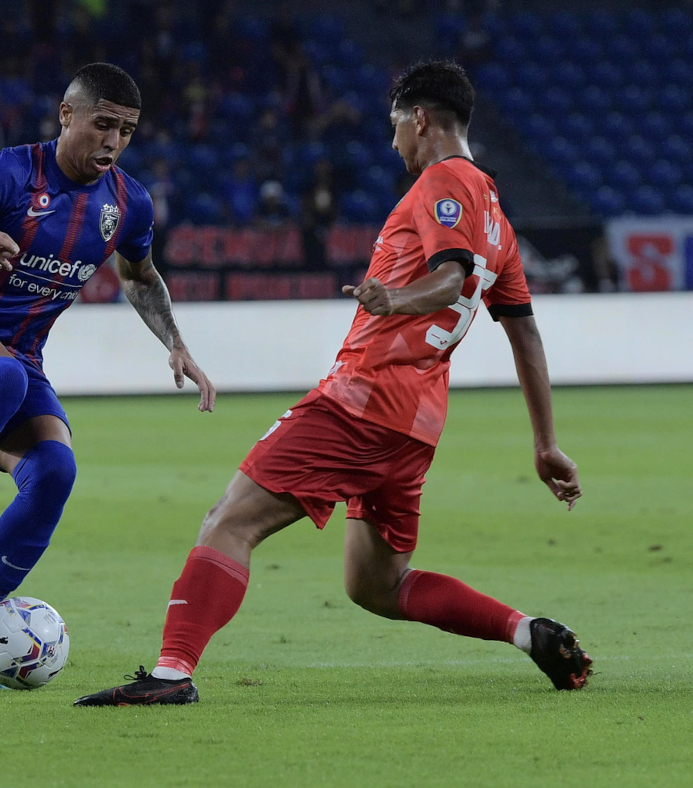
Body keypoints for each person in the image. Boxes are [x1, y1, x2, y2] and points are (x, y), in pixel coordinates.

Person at [75, 61, 591, 707]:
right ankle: (525, 631)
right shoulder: (499, 221)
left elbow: (449, 277)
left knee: (229, 522)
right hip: (416, 427)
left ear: (420, 119)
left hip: (361, 403)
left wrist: (396, 300)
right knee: (376, 584)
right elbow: (526, 335)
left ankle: (172, 674)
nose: (393, 143)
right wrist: (545, 443)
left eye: (395, 127)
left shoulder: (444, 182)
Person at [0, 63, 215, 689]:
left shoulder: (128, 203)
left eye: (126, 131)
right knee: (4, 379)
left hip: (19, 358)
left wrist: (175, 343)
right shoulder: (10, 174)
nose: (113, 141)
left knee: (54, 472)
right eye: (103, 124)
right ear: (67, 115)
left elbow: (139, 276)